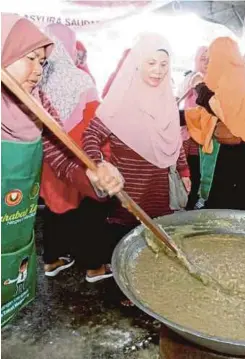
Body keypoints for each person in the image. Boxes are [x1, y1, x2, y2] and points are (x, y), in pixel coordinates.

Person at [1, 14, 123, 326]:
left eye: (42, 62)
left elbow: (62, 153)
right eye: (29, 58)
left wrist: (93, 175)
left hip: (13, 227)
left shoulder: (35, 102)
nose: (37, 71)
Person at [82, 32, 190, 249]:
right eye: (151, 62)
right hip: (128, 194)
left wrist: (184, 171)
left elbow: (174, 141)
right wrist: (99, 164)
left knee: (155, 251)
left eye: (163, 64)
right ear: (138, 63)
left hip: (160, 193)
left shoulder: (167, 100)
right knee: (125, 250)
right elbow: (90, 135)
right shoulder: (121, 100)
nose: (157, 70)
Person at [40, 24, 113, 282]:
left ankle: (51, 260)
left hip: (47, 157)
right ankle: (91, 264)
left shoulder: (38, 78)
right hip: (78, 157)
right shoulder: (81, 78)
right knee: (88, 210)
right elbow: (93, 125)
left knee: (55, 206)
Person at [183, 37, 245, 212]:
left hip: (240, 156)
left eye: (212, 58)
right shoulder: (232, 76)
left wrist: (199, 86)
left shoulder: (235, 78)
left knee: (233, 205)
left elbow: (219, 107)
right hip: (237, 153)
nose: (209, 63)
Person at [177, 46, 208, 210]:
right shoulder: (192, 78)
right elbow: (176, 98)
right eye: (203, 59)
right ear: (196, 60)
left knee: (197, 171)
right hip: (187, 134)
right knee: (184, 170)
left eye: (209, 60)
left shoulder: (214, 80)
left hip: (203, 136)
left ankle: (191, 204)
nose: (206, 63)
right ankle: (182, 202)